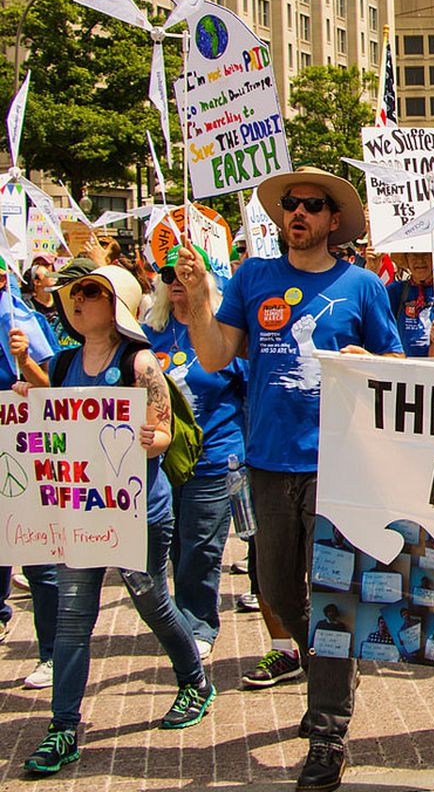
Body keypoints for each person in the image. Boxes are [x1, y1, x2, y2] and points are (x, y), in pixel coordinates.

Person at [175, 166, 403, 792]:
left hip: (339, 469)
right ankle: (335, 663)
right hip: (268, 465)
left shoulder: (361, 287)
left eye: (311, 206)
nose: (297, 214)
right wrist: (196, 298)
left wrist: (371, 362)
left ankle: (328, 734)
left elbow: (396, 367)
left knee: (331, 600)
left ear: (334, 222)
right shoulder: (252, 278)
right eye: (289, 206)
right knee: (276, 589)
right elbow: (217, 354)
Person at [17, 265, 214, 776]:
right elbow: (55, 417)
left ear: (116, 307)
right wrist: (26, 396)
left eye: (89, 293)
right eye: (72, 294)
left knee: (151, 600)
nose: (76, 301)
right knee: (73, 616)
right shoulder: (61, 366)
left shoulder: (140, 362)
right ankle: (63, 727)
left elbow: (164, 431)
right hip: (80, 514)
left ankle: (193, 679)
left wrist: (155, 440)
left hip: (139, 512)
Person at [143, 245, 247, 660]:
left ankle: (197, 625)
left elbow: (247, 392)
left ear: (205, 279)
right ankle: (179, 620)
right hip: (164, 462)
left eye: (185, 276)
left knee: (201, 546)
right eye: (169, 278)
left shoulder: (225, 331)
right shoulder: (148, 334)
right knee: (174, 548)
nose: (177, 284)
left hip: (217, 455)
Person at [1, 258, 59, 689]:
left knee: (39, 560)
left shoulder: (21, 321)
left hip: (22, 451)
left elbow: (54, 390)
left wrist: (23, 362)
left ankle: (52, 653)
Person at [387, 252, 434, 357]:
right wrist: (372, 269)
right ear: (406, 258)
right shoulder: (396, 291)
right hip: (405, 367)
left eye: (425, 255)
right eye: (414, 255)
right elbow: (371, 305)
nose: (420, 261)